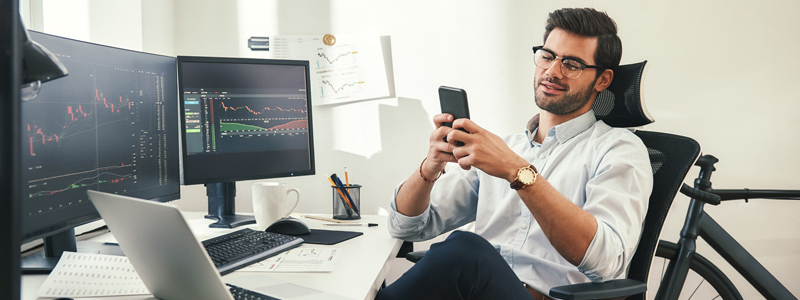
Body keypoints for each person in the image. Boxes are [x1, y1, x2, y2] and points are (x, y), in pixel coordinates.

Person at [376, 7, 653, 300]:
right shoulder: (504, 149)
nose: (552, 71)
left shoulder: (619, 149)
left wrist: (517, 172)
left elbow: (607, 261)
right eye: (547, 56)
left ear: (602, 80)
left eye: (571, 64)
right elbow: (406, 227)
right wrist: (430, 166)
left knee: (464, 249)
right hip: (478, 292)